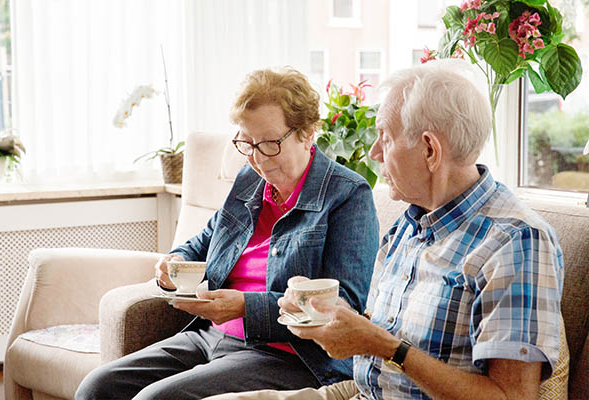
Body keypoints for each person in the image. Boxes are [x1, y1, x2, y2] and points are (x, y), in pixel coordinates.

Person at [203, 59, 565, 400]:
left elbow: (510, 397)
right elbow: (374, 334)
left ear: (429, 150)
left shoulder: (516, 242)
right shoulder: (407, 228)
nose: (374, 152)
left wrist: (383, 346)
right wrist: (333, 321)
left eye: (385, 138)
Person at [74, 67, 380, 400]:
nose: (258, 159)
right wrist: (174, 263)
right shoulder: (249, 182)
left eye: (269, 144)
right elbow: (204, 242)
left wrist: (245, 307)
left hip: (289, 355)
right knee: (97, 387)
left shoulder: (347, 194)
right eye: (246, 144)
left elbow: (343, 306)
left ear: (307, 133)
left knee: (156, 399)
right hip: (211, 336)